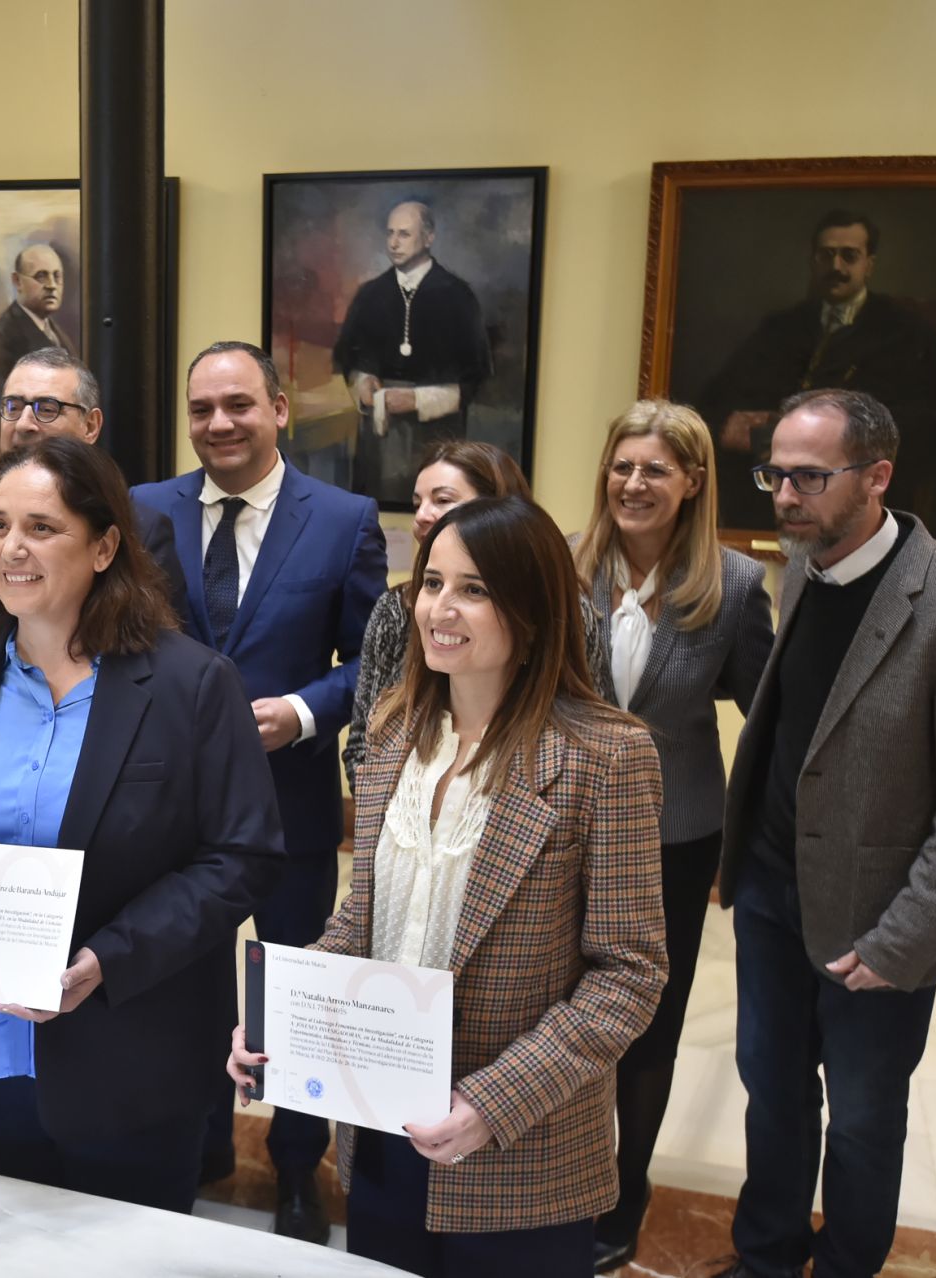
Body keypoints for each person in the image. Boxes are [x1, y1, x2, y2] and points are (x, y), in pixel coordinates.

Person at [229, 495, 667, 1278]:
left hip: (517, 1151)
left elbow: (629, 975)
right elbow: (362, 918)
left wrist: (491, 1105)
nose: (440, 608)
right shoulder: (397, 732)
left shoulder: (608, 756)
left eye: (474, 589)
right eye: (432, 583)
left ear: (531, 611)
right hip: (383, 1127)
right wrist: (279, 1017)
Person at [0, 435, 281, 1212]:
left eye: (42, 527)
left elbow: (241, 856)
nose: (11, 548)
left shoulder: (190, 682)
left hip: (131, 1055)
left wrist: (106, 958)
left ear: (104, 546)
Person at [129, 339, 384, 1241]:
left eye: (238, 405)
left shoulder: (344, 519)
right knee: (185, 981)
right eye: (202, 409)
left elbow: (372, 664)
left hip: (292, 805)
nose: (219, 424)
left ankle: (294, 1168)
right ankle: (198, 1139)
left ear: (279, 409)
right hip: (167, 811)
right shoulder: (141, 508)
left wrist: (306, 714)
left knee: (292, 990)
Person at [714, 388, 936, 1278]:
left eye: (809, 476)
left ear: (878, 477)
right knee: (772, 1094)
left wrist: (904, 941)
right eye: (774, 472)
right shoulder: (802, 564)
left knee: (861, 1116)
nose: (783, 493)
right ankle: (766, 1255)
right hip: (771, 897)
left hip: (879, 922)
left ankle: (849, 1263)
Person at [570, 401, 776, 1272]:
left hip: (675, 837)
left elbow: (768, 712)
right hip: (565, 828)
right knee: (561, 1015)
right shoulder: (562, 568)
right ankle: (559, 1180)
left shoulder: (732, 586)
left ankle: (625, 1195)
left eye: (655, 469)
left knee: (648, 1028)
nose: (634, 483)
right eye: (622, 465)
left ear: (693, 482)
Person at [345, 440, 613, 791]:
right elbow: (364, 741)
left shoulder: (564, 609)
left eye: (442, 500)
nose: (423, 514)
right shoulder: (397, 611)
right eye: (432, 583)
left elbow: (582, 723)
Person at [0, 347, 188, 683]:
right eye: (13, 406)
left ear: (91, 425)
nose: (25, 424)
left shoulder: (141, 528)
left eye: (47, 408)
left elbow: (156, 662)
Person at [701, 211, 936, 534]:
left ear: (869, 265)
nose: (836, 267)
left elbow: (933, 425)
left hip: (857, 503)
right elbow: (714, 400)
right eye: (827, 255)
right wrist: (731, 424)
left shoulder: (906, 333)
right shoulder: (780, 327)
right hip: (765, 498)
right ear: (813, 261)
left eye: (849, 256)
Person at [334, 201, 493, 506]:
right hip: (378, 436)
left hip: (435, 433)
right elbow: (352, 359)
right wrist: (362, 382)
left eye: (404, 234)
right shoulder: (370, 294)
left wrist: (416, 400)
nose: (394, 242)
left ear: (429, 237)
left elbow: (475, 379)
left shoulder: (457, 296)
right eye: (390, 233)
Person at [0, 243, 77, 406]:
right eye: (41, 276)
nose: (52, 285)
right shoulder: (3, 339)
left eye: (57, 276)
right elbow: (10, 413)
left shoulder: (54, 331)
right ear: (17, 281)